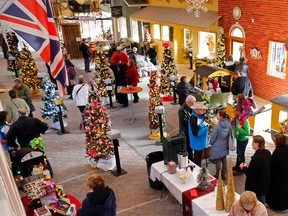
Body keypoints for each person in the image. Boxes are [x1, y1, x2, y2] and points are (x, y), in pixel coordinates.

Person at [240, 135, 271, 204]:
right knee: (262, 200)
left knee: (257, 202)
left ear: (257, 144)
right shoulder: (267, 152)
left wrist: (243, 167)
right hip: (265, 183)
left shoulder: (255, 159)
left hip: (257, 186)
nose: (251, 144)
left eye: (253, 142)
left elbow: (250, 174)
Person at [266, 133, 288, 212]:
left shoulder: (278, 152)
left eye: (275, 141)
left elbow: (272, 164)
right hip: (285, 175)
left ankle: (276, 206)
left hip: (278, 176)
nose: (274, 142)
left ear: (278, 142)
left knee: (277, 192)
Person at [209, 110, 231, 180]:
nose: (216, 116)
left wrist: (210, 143)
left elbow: (213, 137)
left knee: (217, 160)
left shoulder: (217, 126)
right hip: (225, 145)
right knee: (224, 159)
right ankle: (224, 174)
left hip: (217, 147)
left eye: (218, 115)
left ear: (221, 117)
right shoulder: (228, 124)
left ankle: (218, 174)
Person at [188, 101, 209, 167]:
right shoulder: (193, 119)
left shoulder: (200, 116)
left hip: (200, 143)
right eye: (201, 109)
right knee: (197, 161)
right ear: (196, 110)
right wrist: (206, 128)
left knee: (199, 159)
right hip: (197, 144)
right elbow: (196, 133)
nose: (203, 110)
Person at [232, 104, 250, 176]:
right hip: (239, 139)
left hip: (243, 140)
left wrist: (239, 129)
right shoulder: (238, 118)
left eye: (235, 111)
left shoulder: (244, 120)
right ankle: (237, 166)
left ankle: (241, 170)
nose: (234, 113)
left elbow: (247, 133)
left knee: (241, 155)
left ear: (239, 111)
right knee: (238, 154)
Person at [178, 95, 196, 161]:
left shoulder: (189, 108)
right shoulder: (182, 110)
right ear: (188, 102)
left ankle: (191, 158)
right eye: (193, 104)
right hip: (185, 133)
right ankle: (189, 160)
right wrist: (193, 120)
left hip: (189, 131)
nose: (193, 105)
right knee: (187, 148)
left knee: (190, 147)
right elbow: (185, 121)